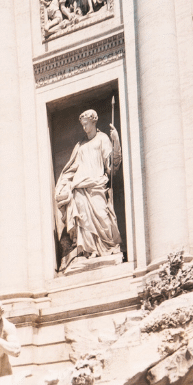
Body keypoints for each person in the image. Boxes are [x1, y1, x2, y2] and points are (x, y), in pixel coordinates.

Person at [53, 109, 122, 269]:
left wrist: (116, 142)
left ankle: (108, 247)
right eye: (82, 125)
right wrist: (65, 184)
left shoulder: (103, 139)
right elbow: (71, 168)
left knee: (102, 216)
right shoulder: (80, 145)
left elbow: (112, 167)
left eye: (86, 124)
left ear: (93, 122)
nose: (84, 128)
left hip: (96, 184)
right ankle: (89, 251)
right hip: (79, 186)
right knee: (83, 219)